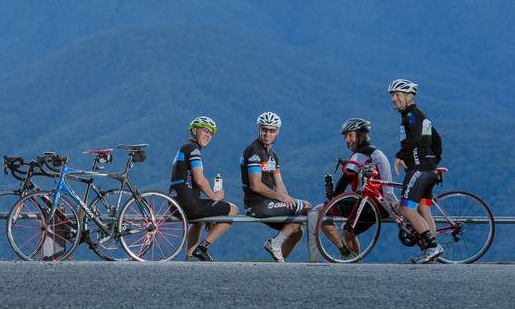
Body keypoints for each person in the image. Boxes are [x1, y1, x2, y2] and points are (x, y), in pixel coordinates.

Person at [320, 118, 398, 259]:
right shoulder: (374, 152)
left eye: (350, 135)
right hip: (383, 205)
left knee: (320, 211)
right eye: (345, 136)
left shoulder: (361, 154)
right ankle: (353, 261)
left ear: (361, 135)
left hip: (370, 204)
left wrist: (333, 198)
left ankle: (346, 253)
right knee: (348, 232)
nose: (346, 140)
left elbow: (346, 178)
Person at [240, 111, 311, 262]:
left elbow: (280, 186)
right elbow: (256, 186)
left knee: (297, 230)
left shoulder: (273, 156)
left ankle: (277, 265)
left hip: (268, 203)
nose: (267, 134)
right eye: (264, 129)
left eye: (271, 130)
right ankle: (275, 243)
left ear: (277, 132)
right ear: (259, 129)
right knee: (307, 206)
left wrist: (288, 199)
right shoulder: (254, 151)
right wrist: (284, 199)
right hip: (257, 204)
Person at [388, 79, 443, 263]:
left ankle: (432, 247)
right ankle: (432, 254)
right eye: (392, 96)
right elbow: (436, 138)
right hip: (428, 169)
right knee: (424, 208)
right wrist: (434, 160)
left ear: (409, 96)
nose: (394, 99)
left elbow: (416, 138)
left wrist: (401, 155)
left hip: (419, 169)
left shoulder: (411, 115)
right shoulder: (420, 115)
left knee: (406, 207)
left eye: (398, 95)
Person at [169, 116, 238, 261]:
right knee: (233, 210)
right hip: (188, 204)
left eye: (211, 133)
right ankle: (203, 247)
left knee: (199, 221)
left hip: (175, 203)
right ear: (194, 130)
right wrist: (214, 197)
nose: (208, 135)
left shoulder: (185, 148)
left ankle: (189, 256)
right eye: (205, 131)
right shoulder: (193, 149)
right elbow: (200, 180)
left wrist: (208, 208)